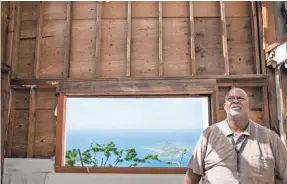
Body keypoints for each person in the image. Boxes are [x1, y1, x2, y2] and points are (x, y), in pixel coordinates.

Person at [184, 87, 287, 184]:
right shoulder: (209, 135)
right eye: (230, 99)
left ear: (248, 106)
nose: (235, 101)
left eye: (240, 98)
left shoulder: (271, 138)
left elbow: (284, 175)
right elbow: (193, 173)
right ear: (225, 107)